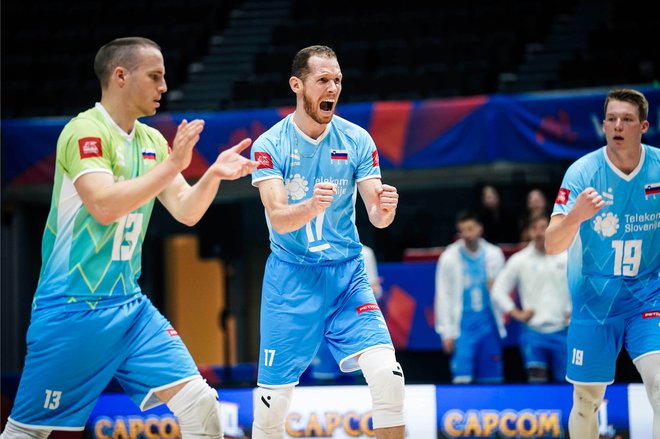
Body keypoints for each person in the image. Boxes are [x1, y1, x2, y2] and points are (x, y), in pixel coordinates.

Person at [1, 37, 258, 439]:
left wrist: (212, 175)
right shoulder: (84, 131)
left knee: (201, 404)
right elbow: (103, 205)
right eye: (155, 77)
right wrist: (174, 164)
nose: (163, 87)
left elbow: (187, 211)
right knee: (30, 433)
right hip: (72, 310)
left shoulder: (152, 141)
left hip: (131, 309)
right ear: (121, 76)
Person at [249, 45, 405, 438]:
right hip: (291, 278)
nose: (332, 88)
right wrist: (310, 206)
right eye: (323, 80)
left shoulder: (356, 139)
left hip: (346, 274)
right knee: (271, 407)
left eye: (337, 80)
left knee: (388, 376)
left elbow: (377, 216)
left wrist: (386, 207)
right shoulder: (269, 145)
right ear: (297, 85)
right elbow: (279, 220)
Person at [545, 88, 660, 438]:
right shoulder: (582, 172)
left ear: (643, 126)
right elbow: (552, 244)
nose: (617, 126)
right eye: (611, 119)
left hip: (648, 295)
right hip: (594, 300)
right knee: (586, 401)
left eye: (626, 119)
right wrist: (575, 216)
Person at [491, 213, 571, 383]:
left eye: (543, 227)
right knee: (536, 383)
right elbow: (498, 290)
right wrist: (516, 313)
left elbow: (583, 288)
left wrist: (574, 311)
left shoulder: (567, 257)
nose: (539, 233)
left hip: (563, 332)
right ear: (529, 232)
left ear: (552, 228)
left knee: (567, 384)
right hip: (533, 333)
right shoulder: (520, 260)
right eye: (534, 228)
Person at [434, 210, 506, 384]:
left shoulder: (494, 254)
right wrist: (445, 332)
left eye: (470, 229)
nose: (467, 234)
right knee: (462, 379)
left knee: (492, 380)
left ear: (480, 229)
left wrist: (497, 289)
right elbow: (442, 294)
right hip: (463, 328)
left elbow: (505, 291)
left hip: (489, 325)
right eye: (462, 230)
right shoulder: (449, 257)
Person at [309, 244, 383, 381]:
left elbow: (373, 290)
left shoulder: (364, 252)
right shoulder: (313, 251)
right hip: (324, 322)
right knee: (324, 376)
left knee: (359, 373)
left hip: (353, 322)